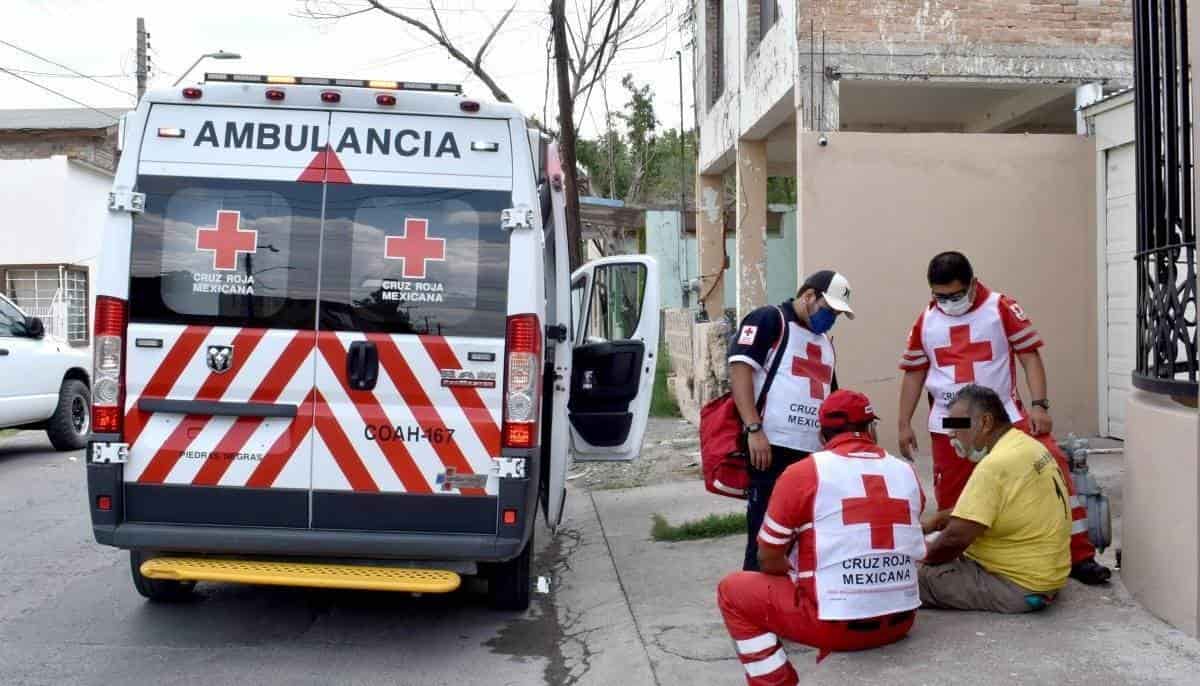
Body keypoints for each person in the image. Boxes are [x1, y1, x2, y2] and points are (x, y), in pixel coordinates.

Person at [896, 251, 1111, 585]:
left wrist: (1039, 405)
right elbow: (913, 373)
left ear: (972, 283)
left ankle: (1078, 555)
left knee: (1051, 466)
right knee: (957, 495)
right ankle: (970, 559)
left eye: (955, 295)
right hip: (951, 422)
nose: (948, 303)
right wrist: (903, 422)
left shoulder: (1000, 308)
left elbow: (1029, 357)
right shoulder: (926, 320)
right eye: (940, 296)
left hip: (1002, 417)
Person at [718, 390, 925, 685]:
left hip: (834, 627)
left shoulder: (803, 473)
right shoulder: (908, 473)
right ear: (871, 430)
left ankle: (775, 681)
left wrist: (797, 575)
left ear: (821, 436)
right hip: (901, 621)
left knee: (732, 590)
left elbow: (767, 557)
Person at [727, 270, 854, 571]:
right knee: (766, 533)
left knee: (803, 535)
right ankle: (755, 601)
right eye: (829, 310)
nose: (831, 318)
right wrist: (754, 428)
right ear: (809, 296)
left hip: (813, 454)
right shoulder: (770, 319)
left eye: (836, 314)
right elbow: (740, 370)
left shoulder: (824, 342)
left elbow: (828, 398)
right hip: (772, 448)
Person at [920, 385, 1071, 612]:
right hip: (1047, 575)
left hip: (1016, 585)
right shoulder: (1027, 445)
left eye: (958, 426)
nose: (951, 435)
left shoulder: (995, 466)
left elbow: (954, 540)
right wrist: (938, 521)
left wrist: (920, 558)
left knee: (903, 578)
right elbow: (997, 506)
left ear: (985, 422)